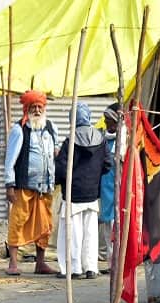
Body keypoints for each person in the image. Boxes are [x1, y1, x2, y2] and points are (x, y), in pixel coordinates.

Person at [53, 103, 113, 280]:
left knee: (72, 233)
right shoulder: (100, 139)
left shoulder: (70, 140)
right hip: (92, 193)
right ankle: (91, 268)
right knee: (91, 233)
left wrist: (57, 181)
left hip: (73, 194)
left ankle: (74, 269)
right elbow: (108, 164)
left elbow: (62, 169)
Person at [3, 90, 58, 276]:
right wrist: (9, 185)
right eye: (33, 107)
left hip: (45, 188)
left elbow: (54, 153)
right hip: (23, 187)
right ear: (26, 109)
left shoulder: (51, 128)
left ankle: (40, 263)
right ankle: (13, 263)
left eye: (39, 107)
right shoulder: (19, 130)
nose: (37, 110)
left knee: (45, 226)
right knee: (17, 222)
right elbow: (10, 160)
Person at [98, 102, 123, 270]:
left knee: (117, 224)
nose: (106, 124)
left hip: (118, 187)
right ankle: (111, 261)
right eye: (105, 120)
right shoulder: (104, 139)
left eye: (109, 121)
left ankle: (119, 261)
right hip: (105, 187)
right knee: (108, 224)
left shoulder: (124, 138)